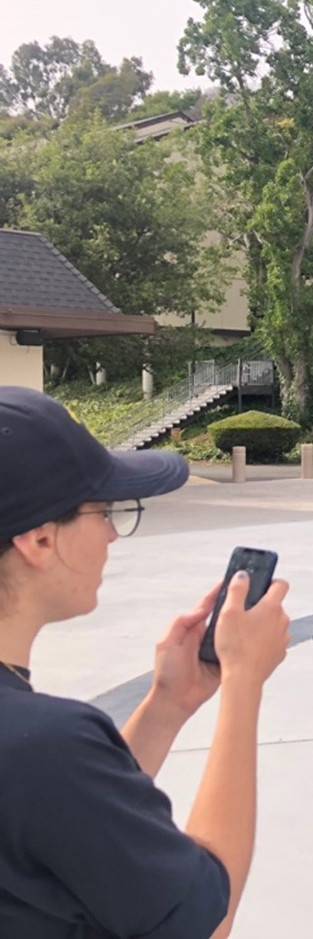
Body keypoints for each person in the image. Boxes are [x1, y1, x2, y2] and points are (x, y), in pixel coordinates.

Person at [0, 386, 291, 938]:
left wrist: (167, 704)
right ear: (39, 540)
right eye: (102, 510)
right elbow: (205, 917)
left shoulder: (37, 751)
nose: (111, 532)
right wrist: (244, 682)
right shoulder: (46, 743)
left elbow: (65, 819)